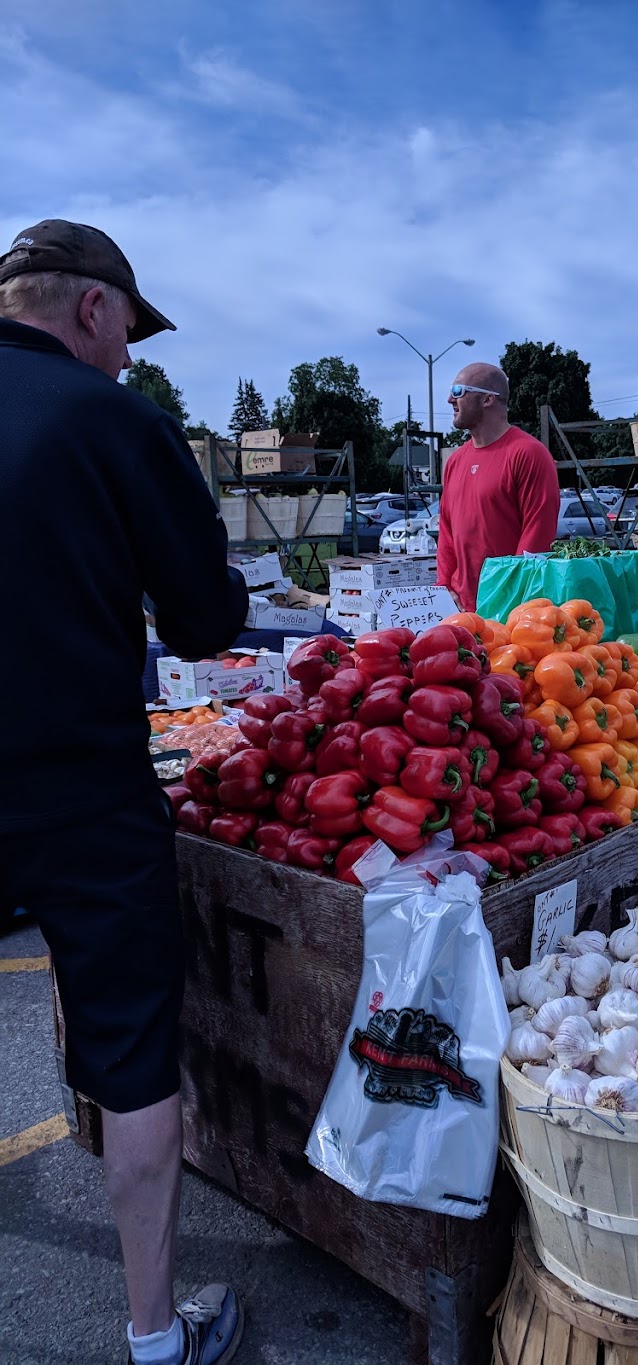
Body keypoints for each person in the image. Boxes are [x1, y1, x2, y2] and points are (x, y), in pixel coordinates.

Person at [0, 221, 249, 1364]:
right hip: (73, 786)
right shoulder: (112, 419)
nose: (130, 359)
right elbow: (207, 621)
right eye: (128, 336)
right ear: (93, 310)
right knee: (132, 1046)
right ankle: (155, 1340)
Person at [436, 362, 560, 610]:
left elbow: (537, 536)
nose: (450, 399)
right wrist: (444, 590)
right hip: (460, 608)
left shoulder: (528, 453)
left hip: (509, 608)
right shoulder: (455, 462)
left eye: (459, 391)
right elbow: (447, 533)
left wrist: (506, 599)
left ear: (487, 400)